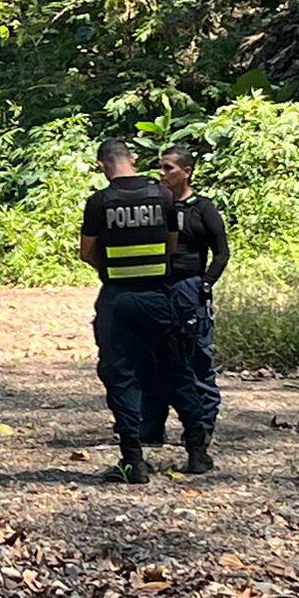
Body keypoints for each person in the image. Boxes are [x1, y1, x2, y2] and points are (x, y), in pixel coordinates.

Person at [80, 138, 212, 483]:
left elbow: (86, 252)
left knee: (121, 374)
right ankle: (197, 451)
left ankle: (133, 461)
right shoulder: (163, 196)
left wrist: (110, 270)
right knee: (177, 370)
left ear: (102, 165)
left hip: (118, 297)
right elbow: (171, 244)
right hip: (159, 294)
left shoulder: (99, 202)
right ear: (133, 159)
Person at [140, 145, 228, 447]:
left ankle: (202, 428)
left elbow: (221, 252)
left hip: (189, 288)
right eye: (160, 168)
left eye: (169, 168)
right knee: (152, 358)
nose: (162, 174)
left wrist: (205, 284)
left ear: (186, 172)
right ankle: (151, 427)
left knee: (196, 359)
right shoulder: (156, 206)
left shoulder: (203, 208)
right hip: (157, 289)